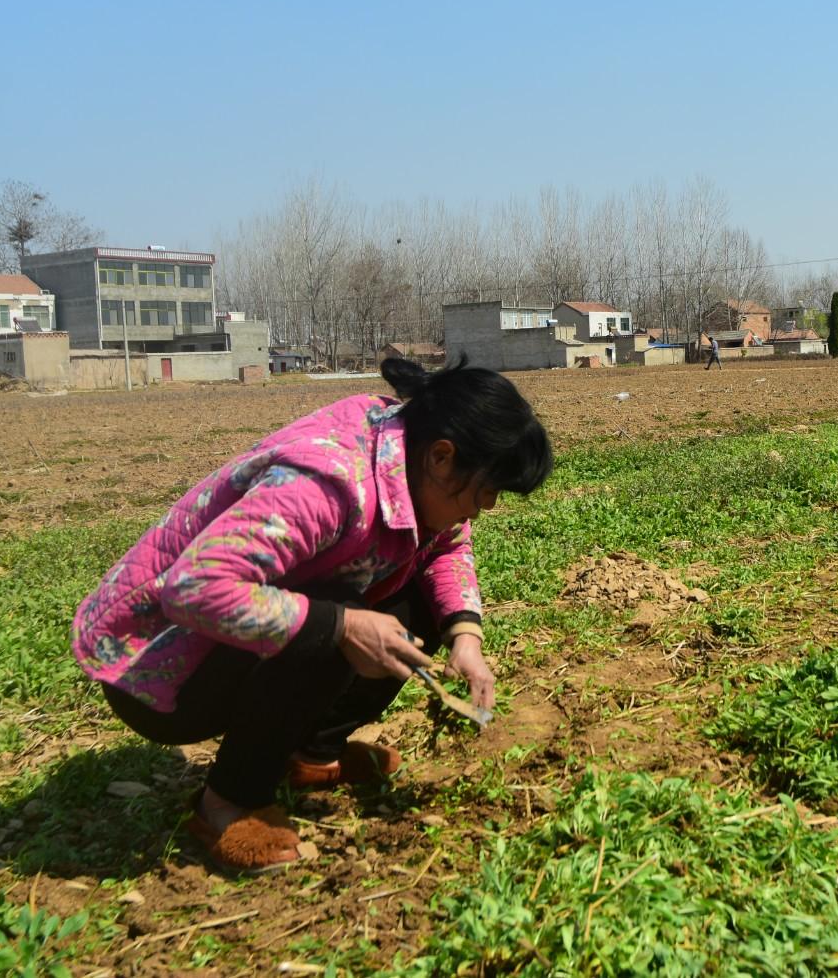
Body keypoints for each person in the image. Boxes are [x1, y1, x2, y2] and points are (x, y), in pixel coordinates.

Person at [71, 356, 552, 871]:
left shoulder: (407, 457)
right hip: (157, 669)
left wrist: (465, 638)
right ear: (442, 457)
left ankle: (310, 754)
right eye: (487, 490)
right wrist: (342, 625)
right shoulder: (327, 481)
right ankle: (228, 801)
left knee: (418, 612)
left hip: (233, 634)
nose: (488, 507)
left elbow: (447, 549)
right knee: (339, 619)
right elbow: (194, 588)